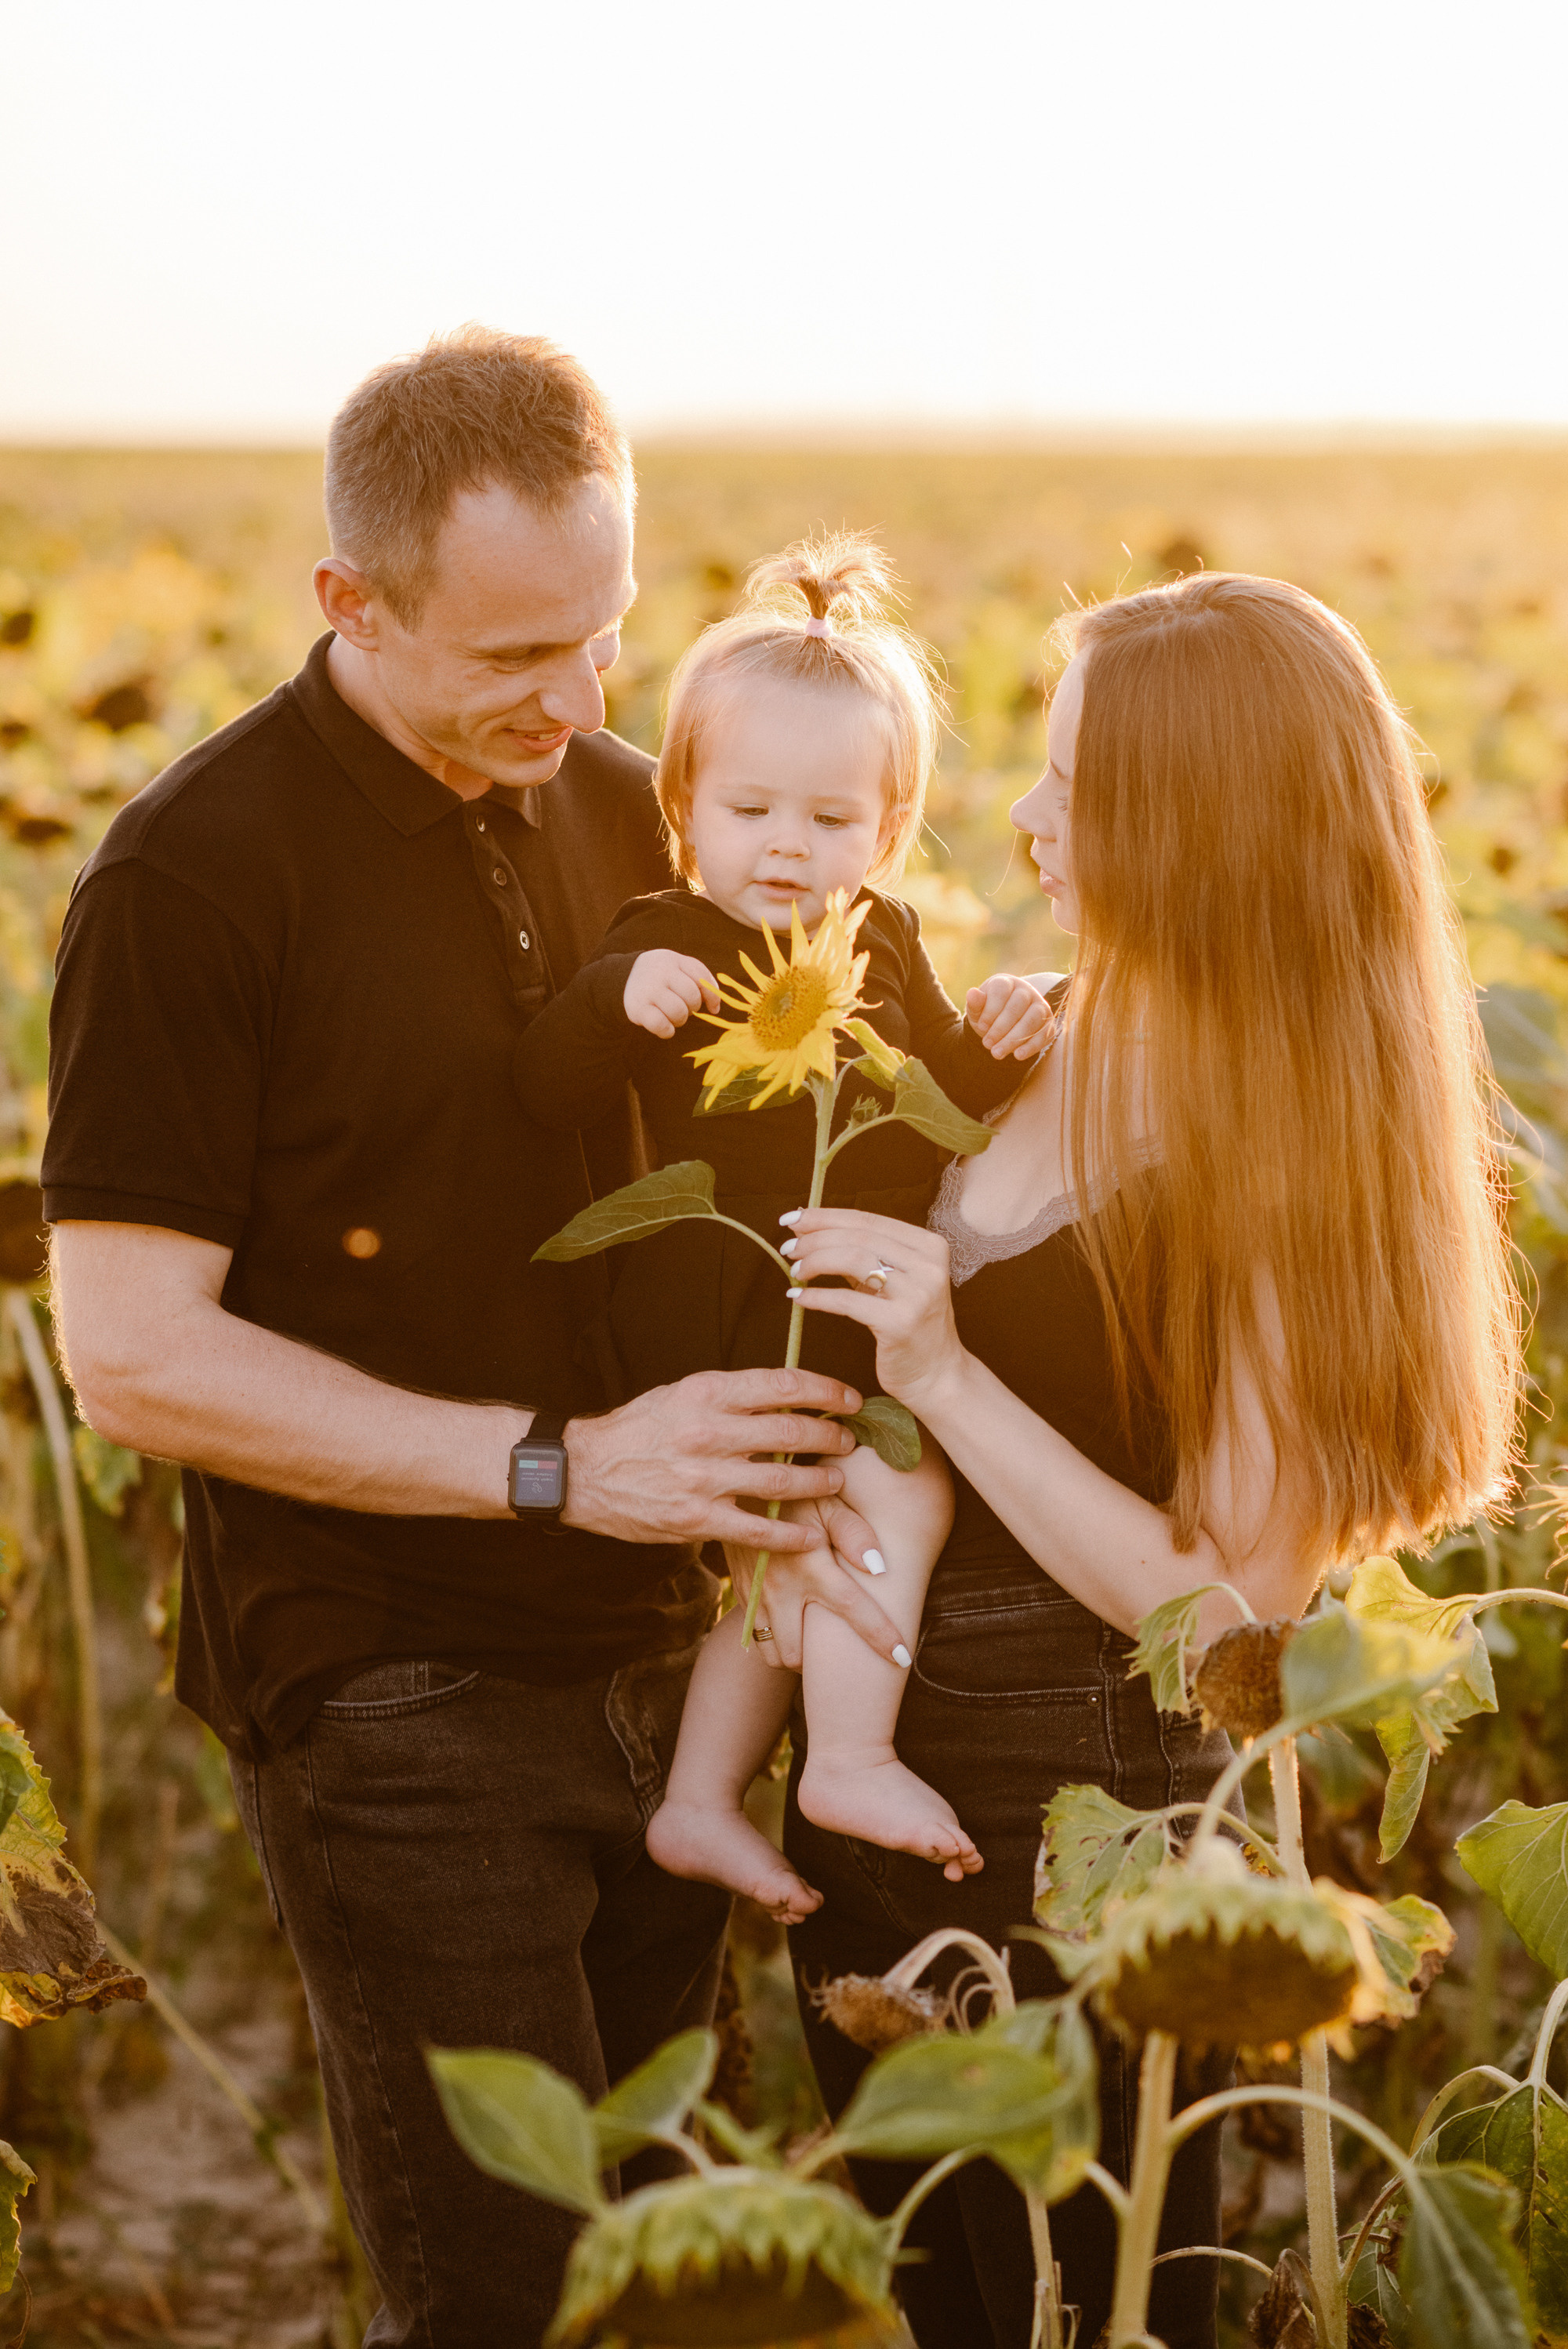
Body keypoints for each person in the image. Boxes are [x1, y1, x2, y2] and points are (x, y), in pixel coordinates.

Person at [39, 328, 912, 2349]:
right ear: (349, 602)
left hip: (667, 1662)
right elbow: (133, 1353)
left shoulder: (638, 810)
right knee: (510, 2292)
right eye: (515, 655)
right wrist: (555, 1462)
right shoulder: (195, 879)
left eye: (604, 634)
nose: (584, 699)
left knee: (668, 2269)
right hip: (395, 1682)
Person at [739, 572, 1522, 2348]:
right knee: (938, 2294)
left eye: (1075, 786)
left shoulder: (1286, 1150)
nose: (1020, 816)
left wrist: (937, 1367)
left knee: (1071, 2300)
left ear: (1196, 827)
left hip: (1084, 1827)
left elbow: (1230, 1602)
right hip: (894, 1791)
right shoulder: (1057, 1030)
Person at [516, 536, 1052, 1919]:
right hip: (727, 1303)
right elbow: (546, 1086)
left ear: (884, 833)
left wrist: (1000, 1039)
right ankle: (849, 1756)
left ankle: (700, 1801)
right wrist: (615, 997)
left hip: (848, 1300)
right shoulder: (665, 932)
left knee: (777, 1562)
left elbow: (941, 1099)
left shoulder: (880, 945)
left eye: (828, 822)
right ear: (686, 807)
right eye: (752, 811)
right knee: (890, 1492)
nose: (786, 849)